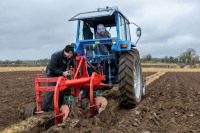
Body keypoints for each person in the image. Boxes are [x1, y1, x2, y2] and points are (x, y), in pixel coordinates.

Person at [42, 45, 74, 112]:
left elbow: (76, 56)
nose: (70, 56)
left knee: (62, 90)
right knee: (51, 91)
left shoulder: (70, 55)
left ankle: (60, 107)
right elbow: (52, 68)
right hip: (52, 74)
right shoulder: (56, 55)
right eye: (69, 54)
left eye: (72, 54)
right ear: (65, 52)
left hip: (61, 74)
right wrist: (63, 73)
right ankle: (45, 109)